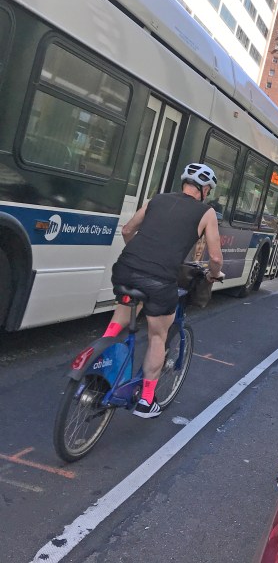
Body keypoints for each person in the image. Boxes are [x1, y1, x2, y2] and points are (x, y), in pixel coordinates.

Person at [105, 163, 223, 418]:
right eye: (209, 190)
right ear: (204, 189)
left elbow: (127, 230)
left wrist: (140, 254)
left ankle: (97, 357)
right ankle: (147, 401)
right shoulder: (206, 213)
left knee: (120, 320)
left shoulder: (157, 199)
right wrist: (214, 276)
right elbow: (215, 256)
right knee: (158, 335)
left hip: (126, 268)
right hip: (159, 280)